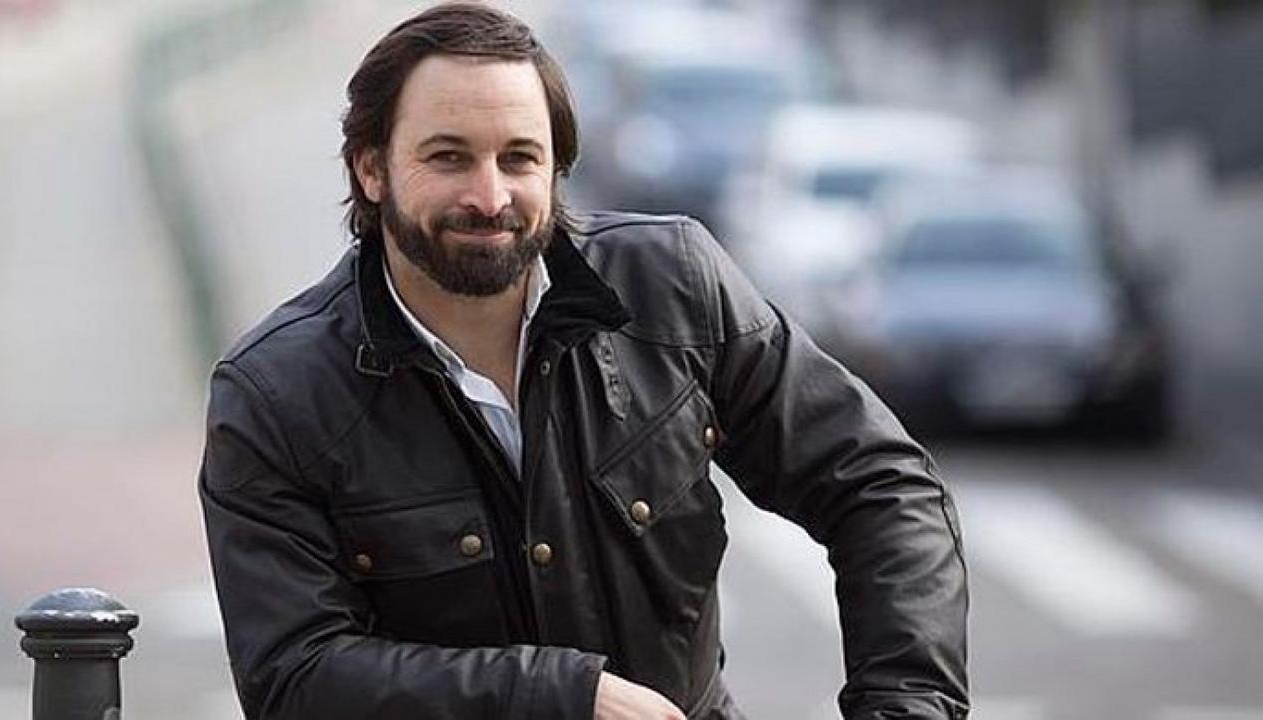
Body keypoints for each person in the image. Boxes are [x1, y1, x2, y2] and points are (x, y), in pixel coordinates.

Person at [198, 3, 969, 719]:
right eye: (449, 157)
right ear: (371, 169)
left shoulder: (672, 284)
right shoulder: (275, 393)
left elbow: (881, 486)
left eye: (519, 158)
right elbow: (293, 676)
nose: (490, 196)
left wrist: (906, 707)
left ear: (556, 166)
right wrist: (562, 698)